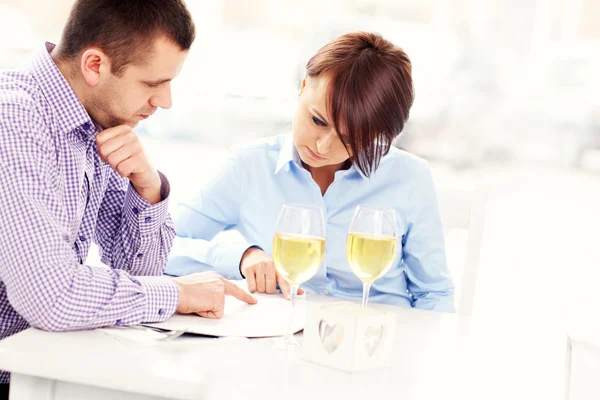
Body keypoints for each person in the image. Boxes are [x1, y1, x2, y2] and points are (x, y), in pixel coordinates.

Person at [0, 0, 256, 391]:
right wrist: (177, 294)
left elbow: (142, 271)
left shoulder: (97, 123)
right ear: (95, 65)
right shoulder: (15, 120)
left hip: (32, 372)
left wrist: (148, 188)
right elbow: (50, 296)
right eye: (152, 84)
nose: (165, 101)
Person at [166, 31, 455, 312]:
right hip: (277, 340)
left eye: (351, 138)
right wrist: (242, 255)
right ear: (303, 86)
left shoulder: (409, 178)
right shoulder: (250, 166)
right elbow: (162, 245)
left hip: (380, 339)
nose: (323, 145)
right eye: (317, 120)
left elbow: (434, 294)